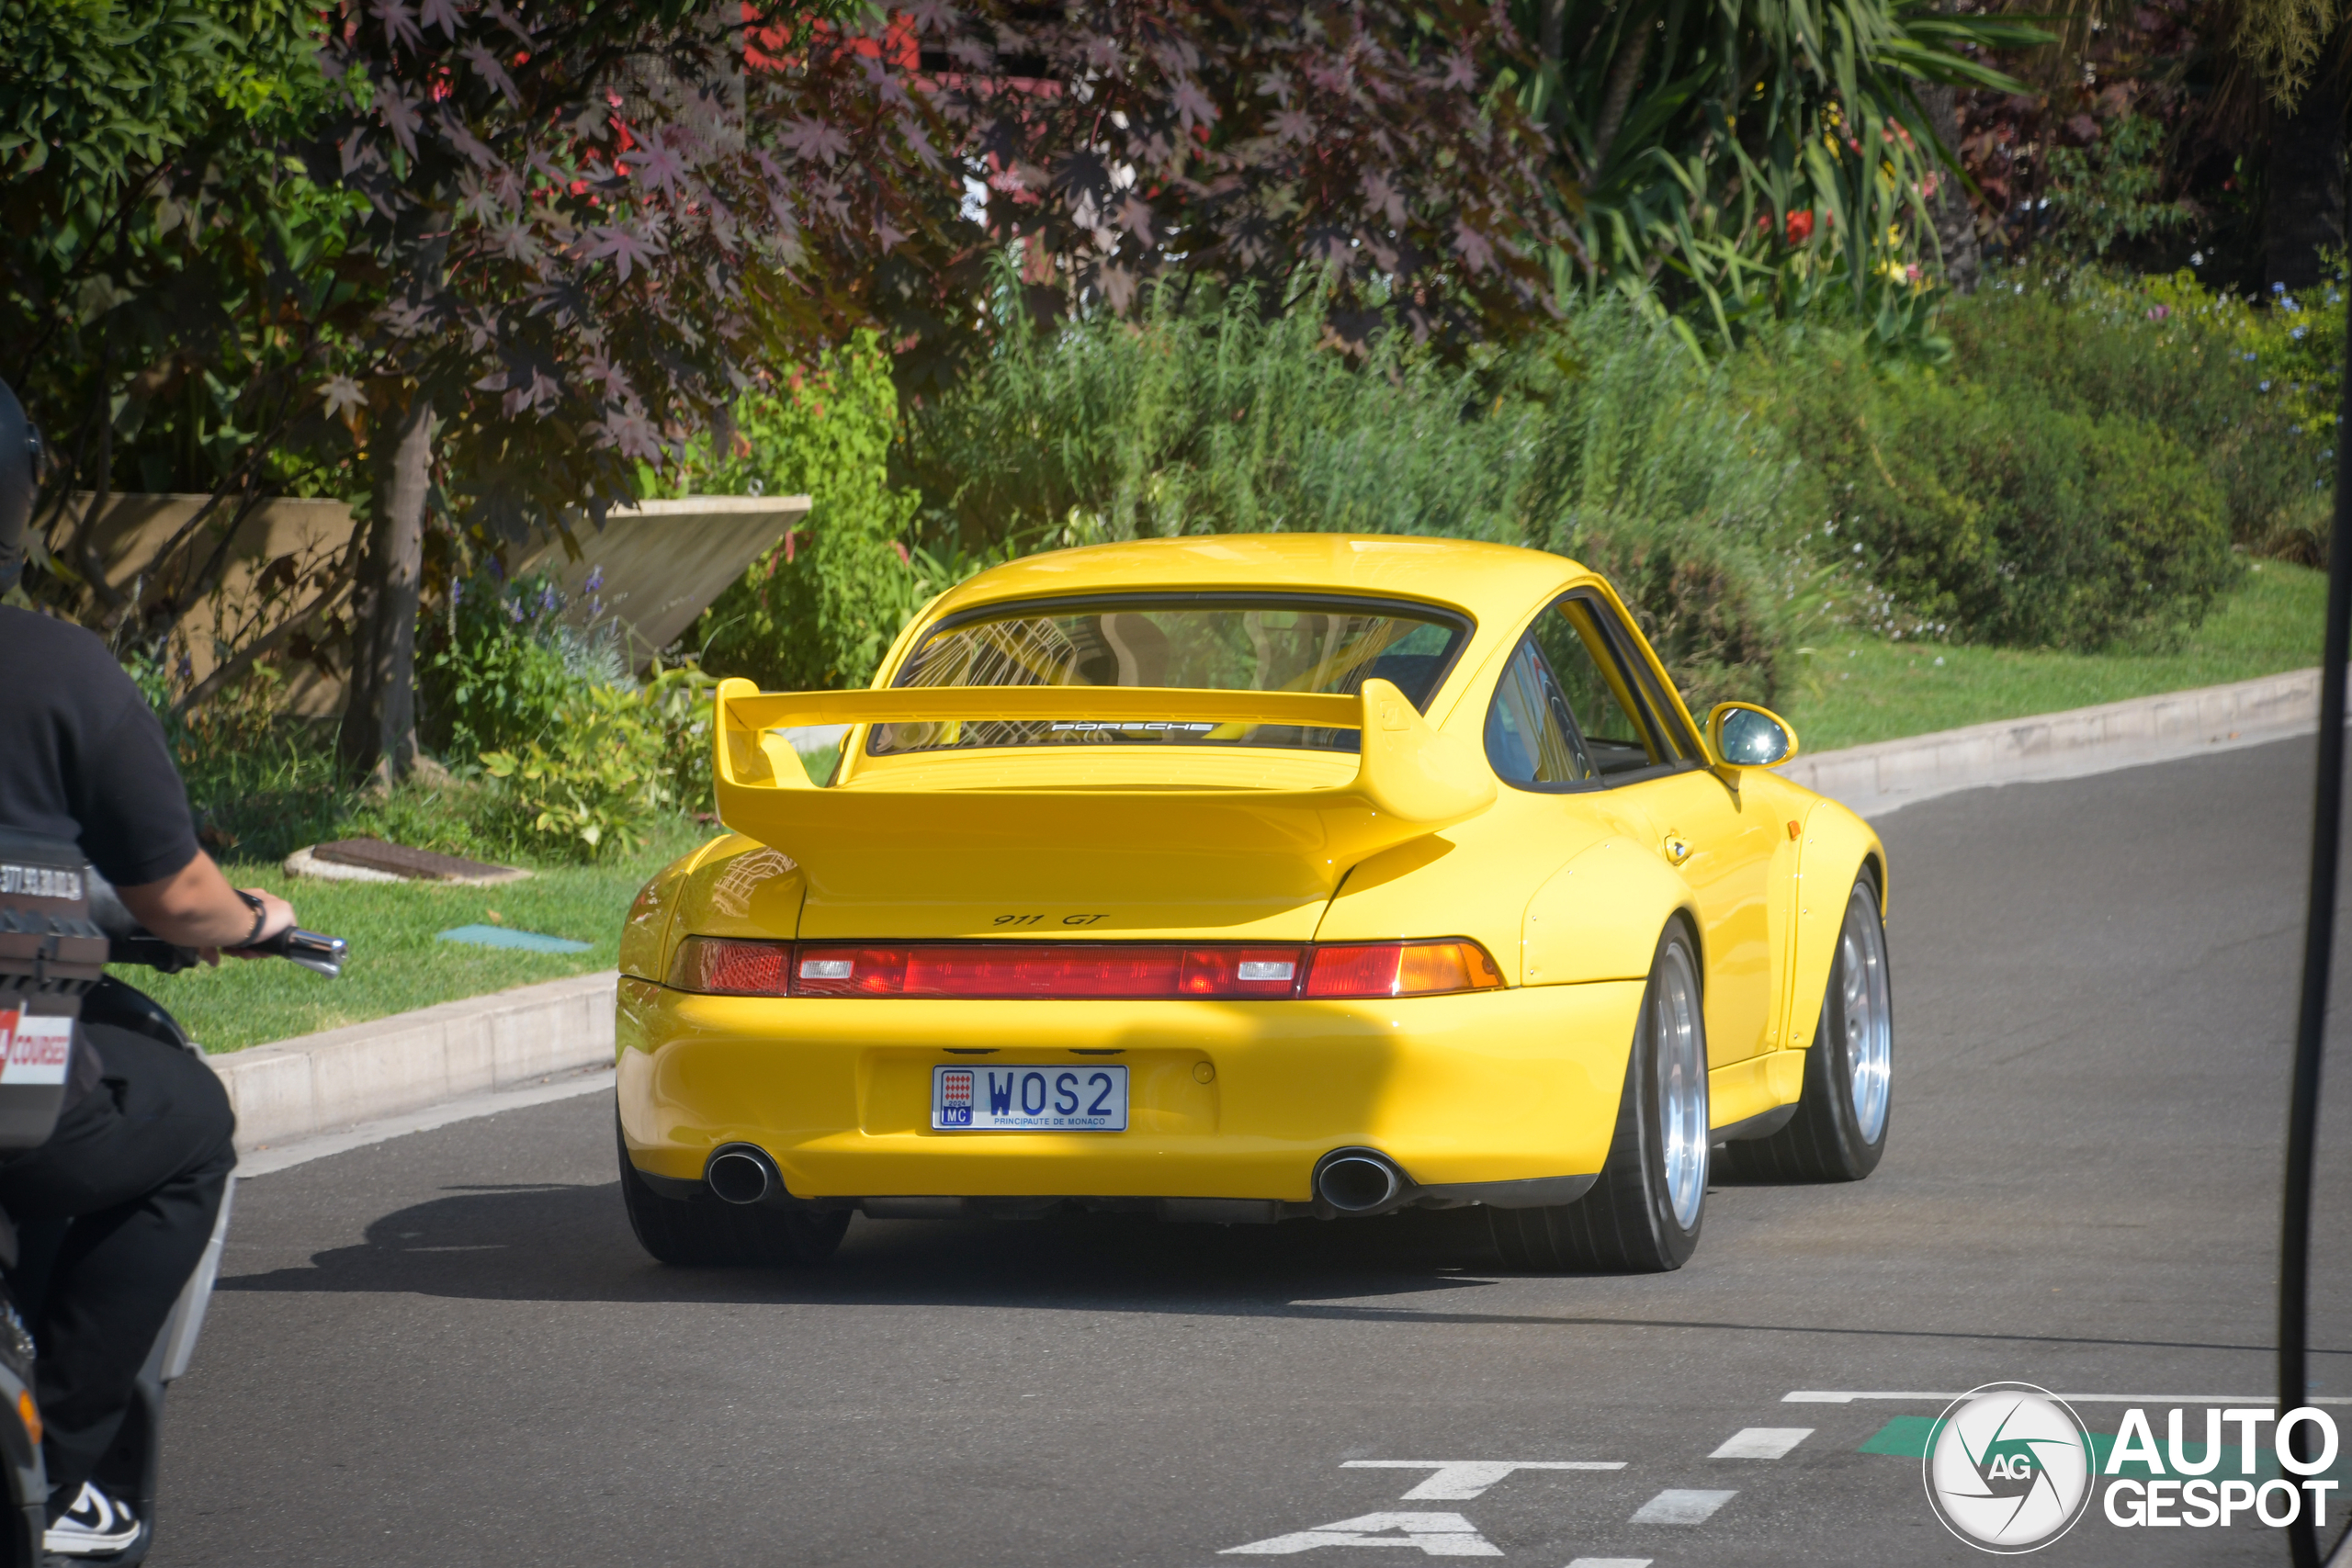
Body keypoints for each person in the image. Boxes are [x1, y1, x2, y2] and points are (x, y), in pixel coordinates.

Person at [0, 377, 294, 1555]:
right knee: (190, 1124)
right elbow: (179, 897)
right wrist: (258, 920)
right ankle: (65, 1464)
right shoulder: (57, 672)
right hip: (17, 1067)